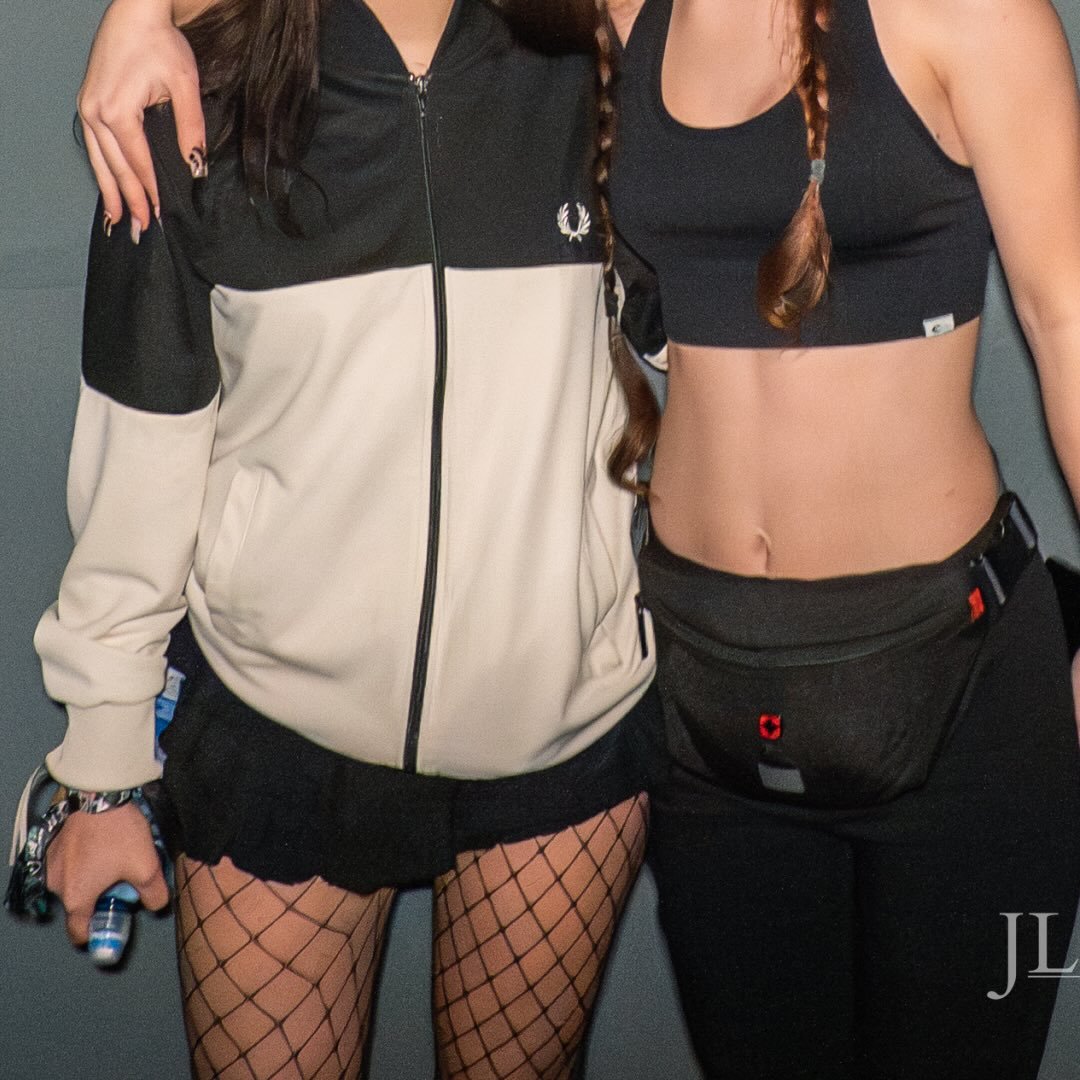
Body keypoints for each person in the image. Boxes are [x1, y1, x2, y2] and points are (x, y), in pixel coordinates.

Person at [28, 1, 659, 1077]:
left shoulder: (601, 66)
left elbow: (715, 341)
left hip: (563, 737)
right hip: (277, 736)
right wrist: (101, 764)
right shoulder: (193, 97)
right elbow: (139, 465)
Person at [596, 0, 1080, 1076]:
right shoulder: (625, 13)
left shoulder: (970, 14)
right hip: (705, 689)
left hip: (964, 690)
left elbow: (1068, 317)